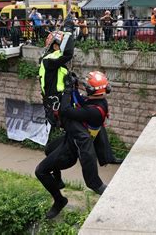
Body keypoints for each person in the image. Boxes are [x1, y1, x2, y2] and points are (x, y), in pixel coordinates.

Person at [35, 71, 111, 219]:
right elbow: (81, 100)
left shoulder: (94, 112)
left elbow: (66, 110)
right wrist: (74, 87)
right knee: (49, 149)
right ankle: (58, 181)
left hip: (70, 151)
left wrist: (68, 90)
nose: (85, 88)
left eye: (87, 86)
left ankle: (59, 200)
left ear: (91, 90)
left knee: (40, 171)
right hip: (71, 139)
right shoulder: (98, 102)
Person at [38, 31, 75, 130]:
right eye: (61, 46)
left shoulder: (51, 62)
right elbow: (67, 54)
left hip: (56, 101)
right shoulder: (50, 59)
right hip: (56, 103)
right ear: (55, 46)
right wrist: (68, 35)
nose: (62, 49)